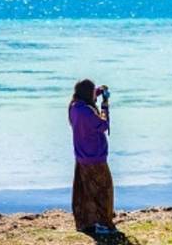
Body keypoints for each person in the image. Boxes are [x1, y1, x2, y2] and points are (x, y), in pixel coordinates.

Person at [68, 79, 116, 235]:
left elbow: (88, 94)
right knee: (104, 191)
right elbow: (103, 125)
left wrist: (99, 91)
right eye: (93, 93)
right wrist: (105, 105)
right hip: (95, 157)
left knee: (85, 193)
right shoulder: (87, 112)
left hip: (81, 156)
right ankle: (103, 224)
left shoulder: (74, 107)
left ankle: (86, 222)